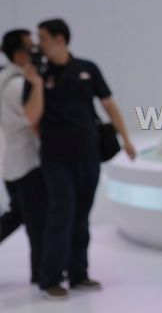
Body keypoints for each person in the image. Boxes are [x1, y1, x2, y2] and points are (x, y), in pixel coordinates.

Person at [32, 18, 137, 300]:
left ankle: (78, 273)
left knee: (81, 215)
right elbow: (32, 117)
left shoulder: (87, 69)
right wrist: (37, 82)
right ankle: (50, 278)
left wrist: (126, 138)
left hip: (88, 155)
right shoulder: (40, 75)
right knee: (61, 213)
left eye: (43, 38)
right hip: (56, 158)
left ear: (59, 39)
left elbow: (108, 103)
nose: (39, 44)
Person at [0, 29, 47, 285]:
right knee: (36, 222)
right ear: (19, 54)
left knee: (17, 215)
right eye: (30, 47)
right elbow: (32, 117)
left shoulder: (5, 77)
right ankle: (42, 274)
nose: (36, 50)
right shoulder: (17, 84)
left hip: (12, 163)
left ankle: (41, 271)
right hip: (27, 163)